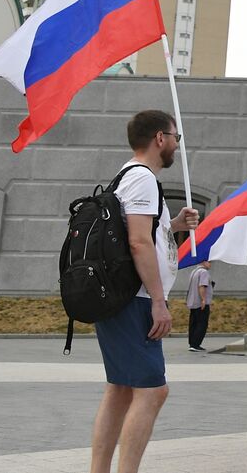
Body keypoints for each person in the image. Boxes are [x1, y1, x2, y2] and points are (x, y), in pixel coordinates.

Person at [90, 110, 201, 473]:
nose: (175, 145)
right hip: (134, 299)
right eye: (175, 138)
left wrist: (173, 225)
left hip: (121, 297)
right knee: (153, 391)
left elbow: (142, 234)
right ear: (159, 138)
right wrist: (157, 301)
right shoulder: (141, 179)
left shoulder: (127, 177)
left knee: (121, 389)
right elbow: (138, 243)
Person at [185, 260, 212, 353]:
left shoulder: (194, 271)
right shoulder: (204, 272)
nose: (210, 264)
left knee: (193, 323)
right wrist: (204, 299)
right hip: (200, 303)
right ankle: (196, 344)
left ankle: (192, 343)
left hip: (192, 302)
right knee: (201, 323)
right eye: (209, 262)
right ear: (203, 262)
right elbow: (202, 286)